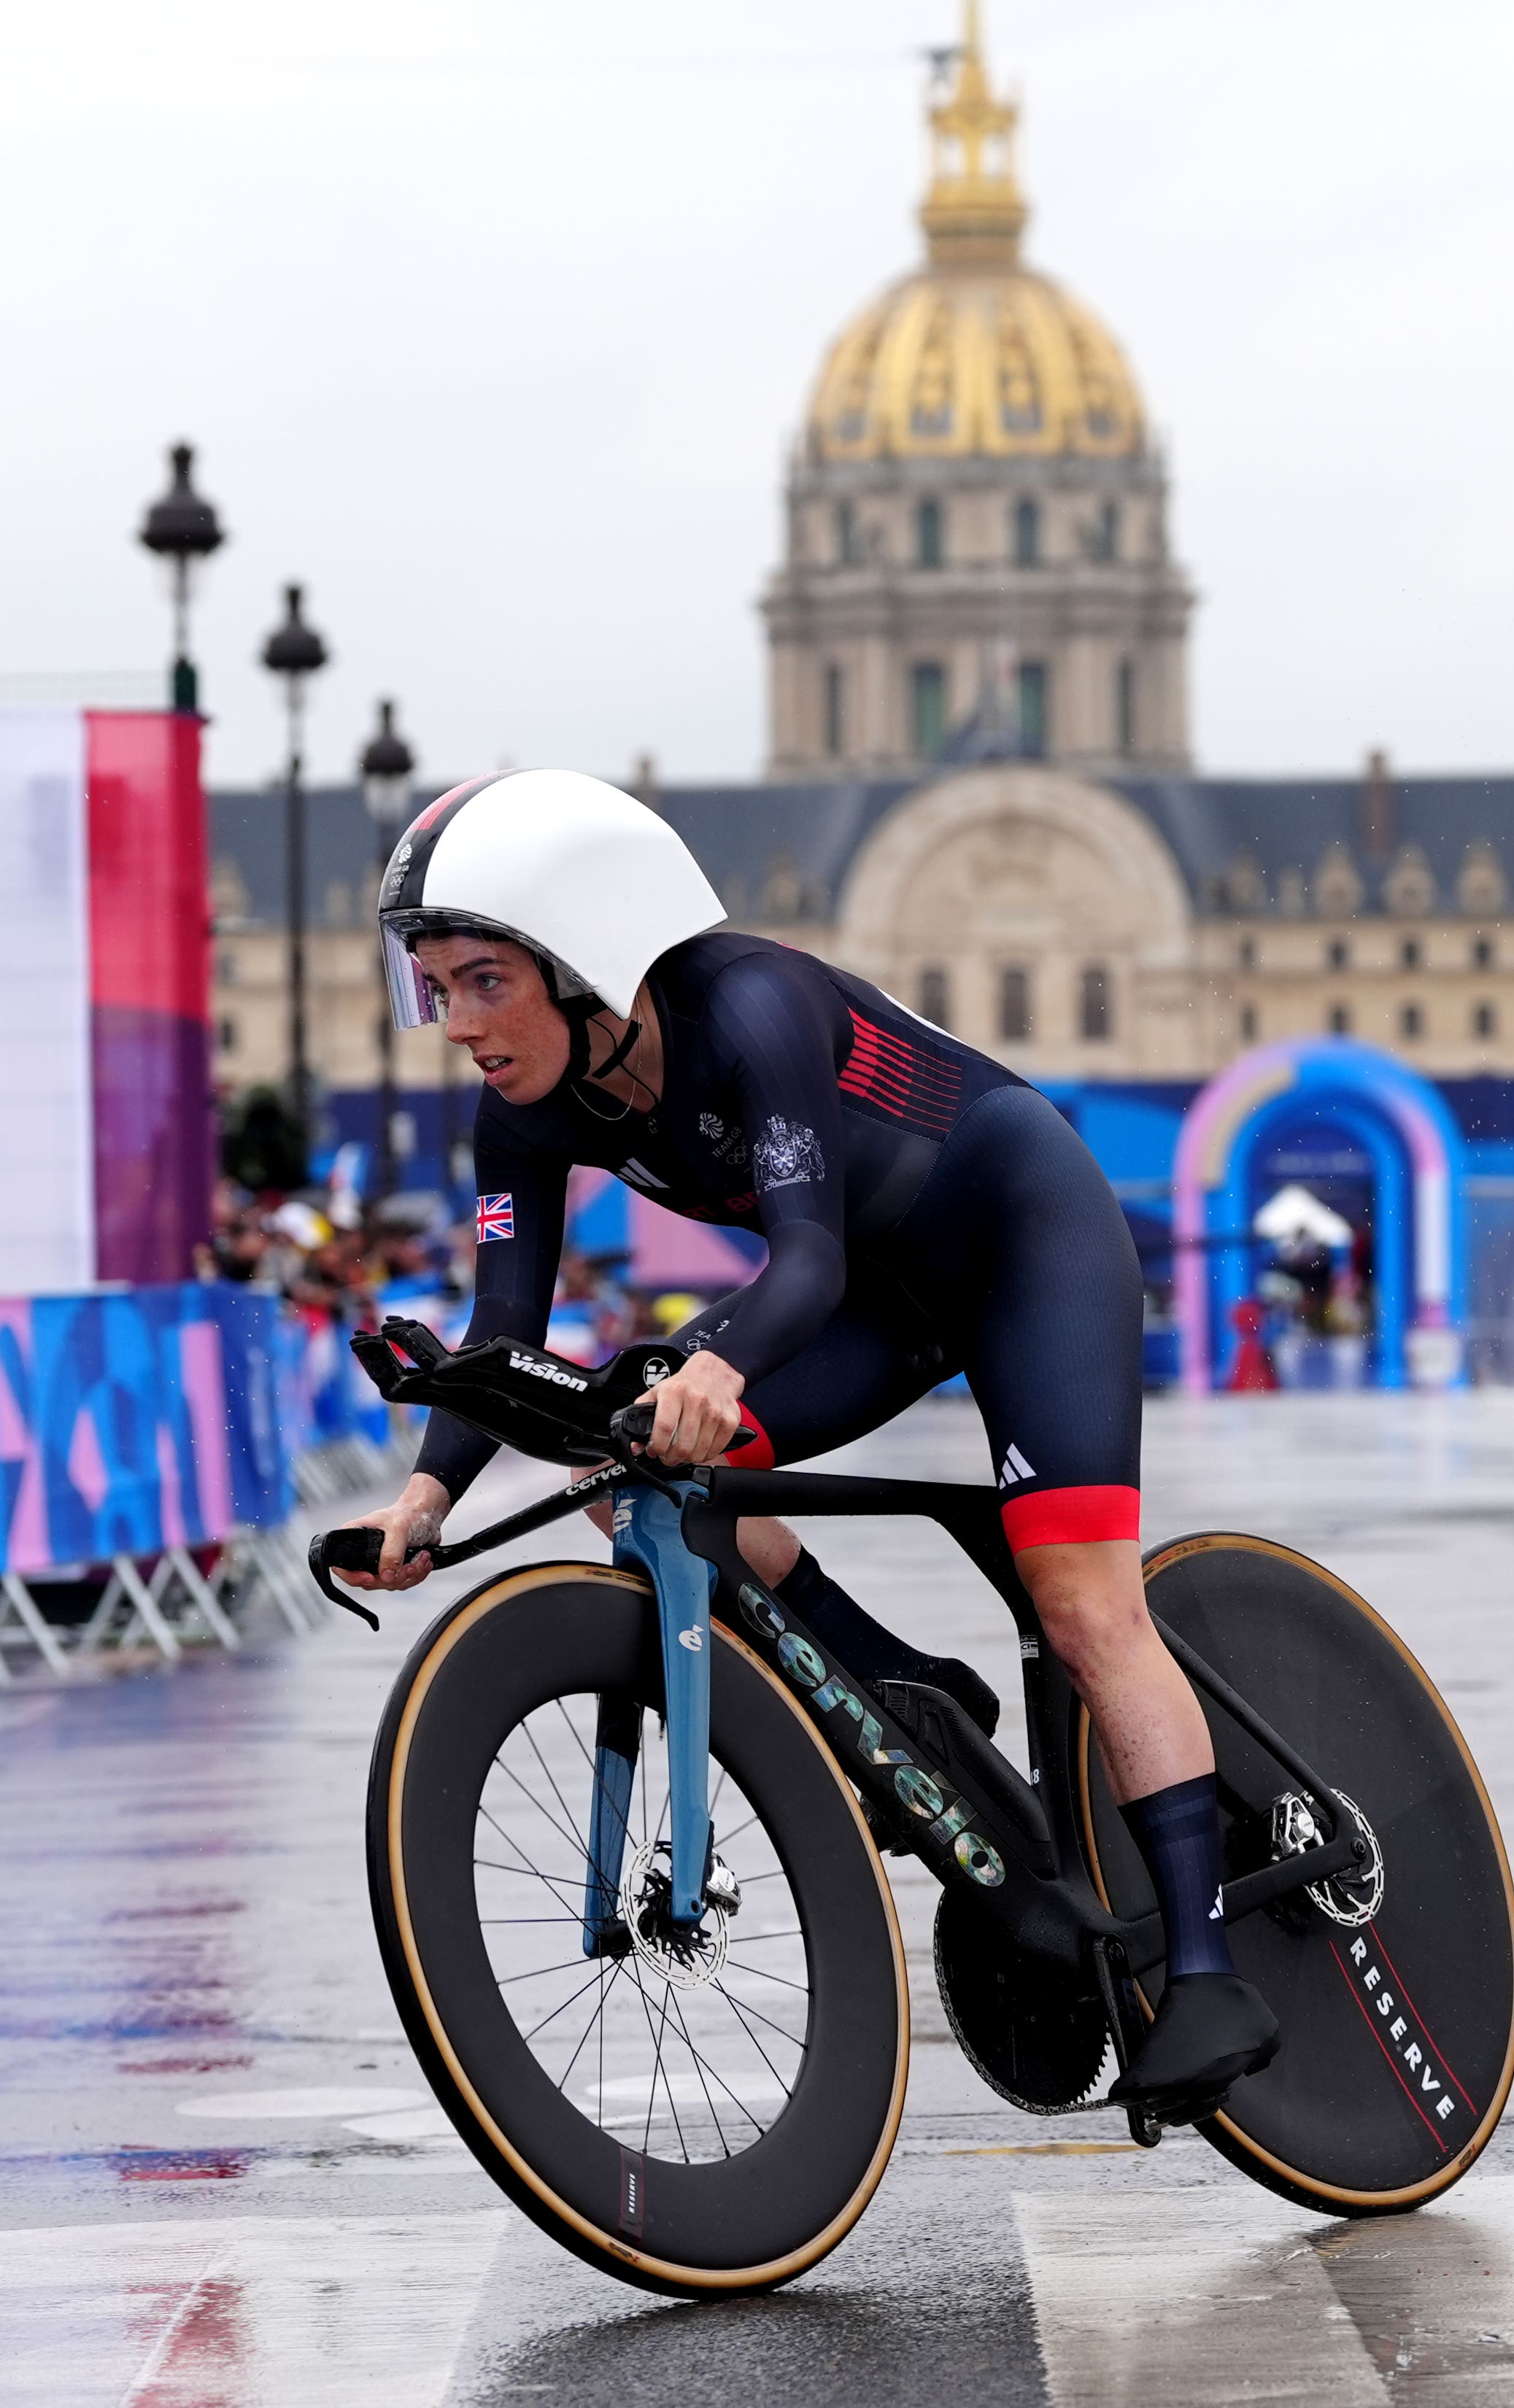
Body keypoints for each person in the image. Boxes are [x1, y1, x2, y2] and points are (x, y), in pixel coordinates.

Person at [334, 768, 1278, 2115]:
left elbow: (809, 1256)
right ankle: (906, 1688)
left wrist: (719, 1361)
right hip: (870, 1295)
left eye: (485, 981)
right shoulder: (523, 1110)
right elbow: (505, 1322)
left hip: (1021, 1246)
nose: (458, 1025)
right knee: (617, 1456)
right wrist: (424, 1498)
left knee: (1080, 1600)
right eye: (437, 988)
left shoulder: (751, 1006)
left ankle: (1206, 1968)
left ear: (581, 960)